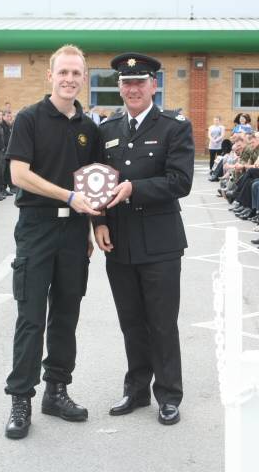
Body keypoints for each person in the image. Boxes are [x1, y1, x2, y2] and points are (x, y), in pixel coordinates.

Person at [4, 44, 100, 439]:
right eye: (63, 72)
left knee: (66, 314)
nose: (69, 79)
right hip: (37, 227)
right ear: (50, 75)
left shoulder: (89, 128)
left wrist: (93, 228)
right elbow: (19, 175)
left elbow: (94, 179)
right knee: (31, 318)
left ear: (84, 79)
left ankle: (56, 390)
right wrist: (67, 197)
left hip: (75, 233)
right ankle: (21, 399)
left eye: (76, 73)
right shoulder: (29, 119)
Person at [94, 53, 194, 425]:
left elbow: (180, 181)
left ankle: (168, 395)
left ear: (154, 85)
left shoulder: (174, 126)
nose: (133, 89)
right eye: (126, 83)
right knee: (131, 321)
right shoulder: (107, 128)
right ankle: (136, 390)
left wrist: (135, 187)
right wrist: (98, 222)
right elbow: (97, 179)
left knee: (162, 322)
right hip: (119, 241)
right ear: (119, 88)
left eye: (140, 82)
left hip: (161, 243)